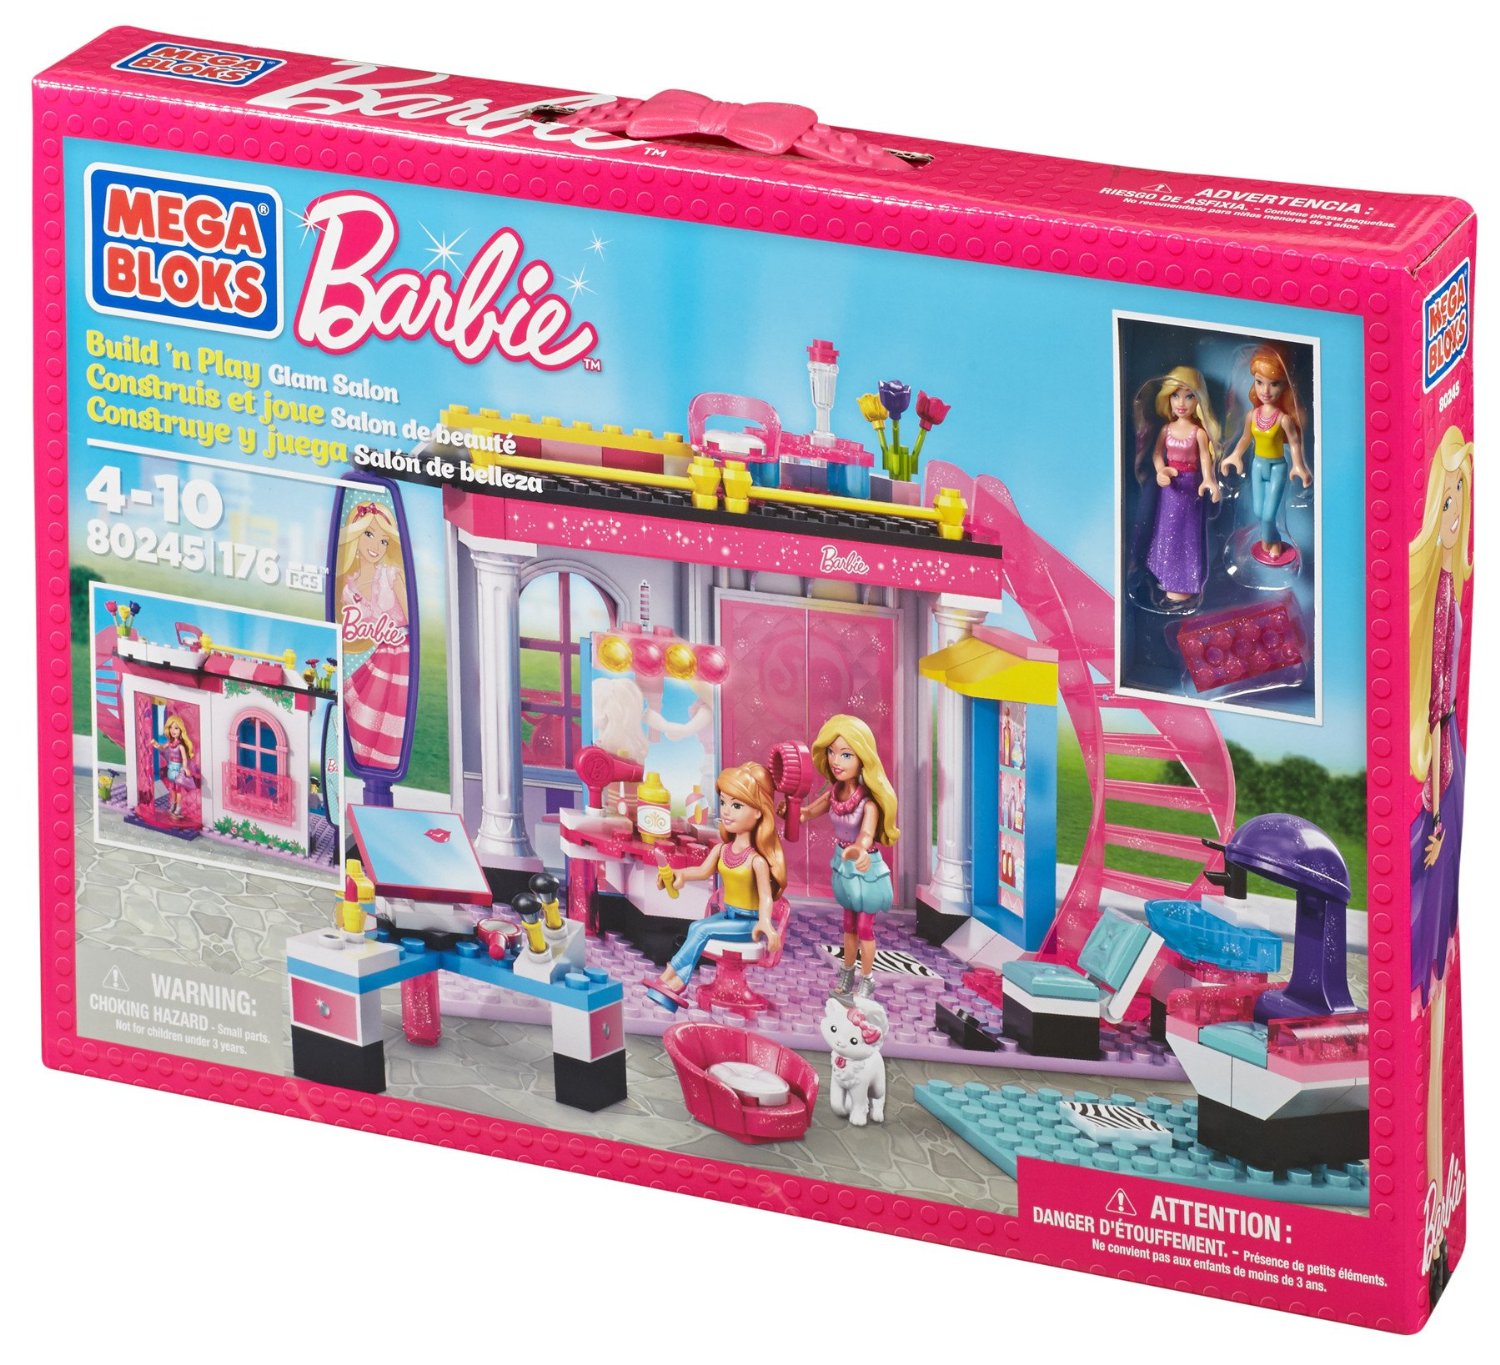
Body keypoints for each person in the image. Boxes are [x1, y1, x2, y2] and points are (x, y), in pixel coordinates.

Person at [643, 762, 786, 1012]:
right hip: (728, 914)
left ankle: (671, 978)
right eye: (723, 803)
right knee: (696, 927)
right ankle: (675, 980)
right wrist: (678, 875)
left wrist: (765, 922)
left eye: (737, 806)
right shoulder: (722, 850)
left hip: (748, 923)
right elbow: (701, 871)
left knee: (701, 930)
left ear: (758, 812)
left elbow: (765, 897)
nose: (727, 811)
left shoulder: (757, 861)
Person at [802, 715, 899, 999]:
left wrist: (859, 848)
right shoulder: (835, 792)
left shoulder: (868, 803)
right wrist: (793, 812)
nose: (836, 760)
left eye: (846, 755)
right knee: (848, 925)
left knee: (865, 927)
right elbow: (809, 811)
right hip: (844, 865)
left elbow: (866, 834)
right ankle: (846, 973)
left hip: (866, 869)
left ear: (862, 758)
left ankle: (867, 979)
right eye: (832, 753)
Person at [336, 500, 410, 770]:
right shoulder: (349, 588)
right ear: (355, 535)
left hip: (403, 657)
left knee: (394, 717)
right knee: (363, 712)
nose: (376, 546)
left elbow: (414, 619)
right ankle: (368, 766)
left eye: (383, 541)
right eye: (369, 534)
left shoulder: (391, 576)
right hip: (381, 657)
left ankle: (383, 766)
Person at [1220, 344, 1311, 563]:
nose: (1266, 390)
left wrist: (1299, 466)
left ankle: (1272, 542)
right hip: (1258, 465)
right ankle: (1271, 541)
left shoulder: (1283, 419)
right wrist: (1234, 456)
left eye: (1274, 384)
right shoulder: (1252, 416)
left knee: (1269, 514)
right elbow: (1245, 439)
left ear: (1284, 386)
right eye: (1259, 382)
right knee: (1259, 512)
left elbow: (1295, 442)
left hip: (1278, 467)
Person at [1137, 366, 1221, 601]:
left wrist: (1209, 480)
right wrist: (1160, 470)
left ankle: (1185, 582)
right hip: (1170, 487)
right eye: (1175, 395)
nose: (1181, 403)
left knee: (1187, 534)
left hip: (1191, 486)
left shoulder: (1198, 433)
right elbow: (1156, 454)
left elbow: (1205, 458)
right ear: (1167, 398)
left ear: (1198, 400)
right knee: (1167, 530)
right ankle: (1165, 576)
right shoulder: (1166, 430)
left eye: (1189, 396)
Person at [151, 713, 197, 819]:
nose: (173, 730)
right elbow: (162, 748)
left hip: (178, 770)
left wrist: (185, 768)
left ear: (181, 730)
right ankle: (173, 804)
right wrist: (155, 744)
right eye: (171, 728)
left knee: (178, 790)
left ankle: (179, 807)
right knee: (172, 789)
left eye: (176, 728)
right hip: (171, 769)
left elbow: (184, 758)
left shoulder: (180, 746)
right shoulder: (170, 744)